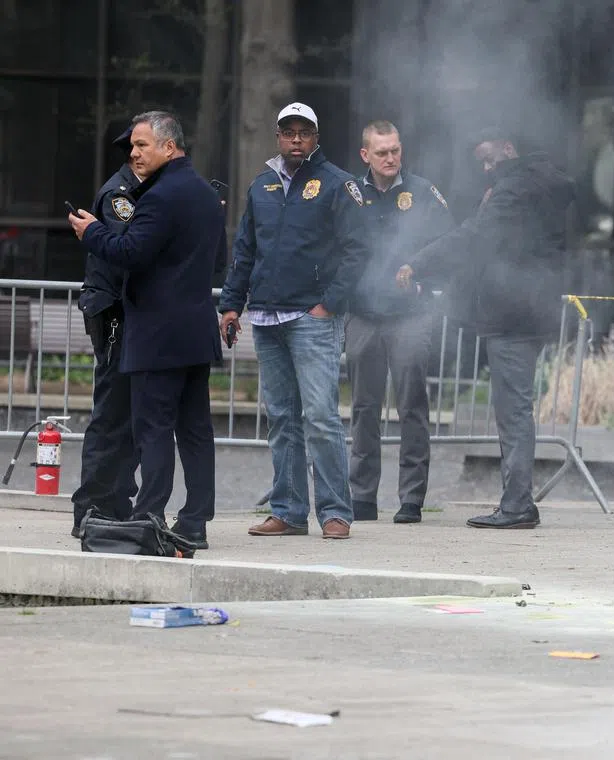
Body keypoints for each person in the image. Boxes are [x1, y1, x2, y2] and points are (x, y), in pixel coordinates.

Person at [396, 128, 575, 529]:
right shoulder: (543, 182)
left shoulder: (511, 191)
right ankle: (516, 502)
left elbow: (472, 237)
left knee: (513, 412)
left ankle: (516, 506)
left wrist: (418, 263)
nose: (486, 168)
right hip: (531, 310)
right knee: (516, 409)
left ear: (509, 148)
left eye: (490, 159)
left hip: (511, 314)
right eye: (482, 162)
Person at [67, 110, 226, 549]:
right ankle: (195, 520)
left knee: (153, 429)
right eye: (133, 146)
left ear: (169, 147)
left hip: (158, 335)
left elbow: (131, 251)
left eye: (142, 145)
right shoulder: (206, 195)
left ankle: (149, 514)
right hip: (195, 331)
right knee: (195, 431)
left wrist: (92, 231)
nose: (134, 153)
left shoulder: (159, 196)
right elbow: (217, 260)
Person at [219, 102, 370, 540]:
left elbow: (358, 251)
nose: (297, 139)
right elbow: (245, 249)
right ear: (278, 137)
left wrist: (330, 303)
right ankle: (287, 511)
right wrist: (231, 304)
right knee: (282, 417)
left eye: (305, 132)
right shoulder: (262, 184)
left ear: (317, 138)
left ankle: (336, 512)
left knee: (321, 416)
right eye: (289, 132)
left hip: (312, 317)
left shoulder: (338, 184)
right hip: (266, 316)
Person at [347, 121, 452, 525]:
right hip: (363, 314)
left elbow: (449, 243)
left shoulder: (424, 193)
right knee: (363, 408)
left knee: (412, 406)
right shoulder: (350, 194)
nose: (390, 159)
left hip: (410, 316)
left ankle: (411, 499)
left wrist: (425, 277)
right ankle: (362, 496)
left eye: (395, 151)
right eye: (381, 152)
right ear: (365, 155)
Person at [69, 126, 142, 537]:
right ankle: (93, 506)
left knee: (129, 416)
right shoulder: (121, 196)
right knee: (111, 414)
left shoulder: (141, 193)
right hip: (115, 314)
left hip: (127, 313)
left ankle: (116, 501)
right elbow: (128, 249)